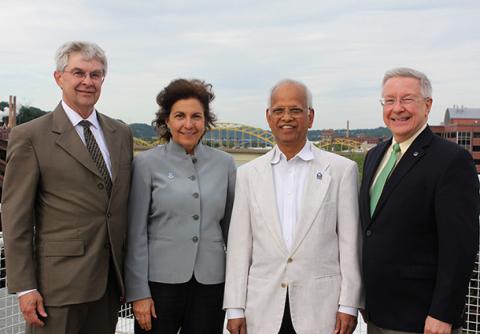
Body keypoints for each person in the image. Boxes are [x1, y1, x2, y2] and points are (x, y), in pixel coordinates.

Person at [1, 41, 133, 334]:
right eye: (78, 73)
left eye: (96, 75)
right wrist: (25, 288)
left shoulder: (121, 133)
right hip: (56, 288)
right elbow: (16, 218)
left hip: (110, 285)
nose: (88, 82)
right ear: (59, 77)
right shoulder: (30, 136)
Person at [223, 79, 363, 334]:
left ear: (310, 117)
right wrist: (234, 307)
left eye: (296, 110)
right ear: (268, 117)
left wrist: (349, 304)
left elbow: (350, 243)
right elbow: (239, 246)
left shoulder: (341, 170)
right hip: (261, 308)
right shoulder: (248, 174)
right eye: (279, 110)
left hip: (322, 308)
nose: (286, 117)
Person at [359, 67, 479, 334]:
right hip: (376, 313)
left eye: (407, 99)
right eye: (389, 100)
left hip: (421, 319)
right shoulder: (374, 155)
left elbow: (459, 246)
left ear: (428, 105)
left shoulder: (451, 161)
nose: (397, 108)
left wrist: (442, 313)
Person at [125, 78, 236, 334]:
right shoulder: (146, 164)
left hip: (211, 282)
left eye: (196, 116)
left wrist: (237, 294)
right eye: (180, 116)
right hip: (159, 284)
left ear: (206, 121)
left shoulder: (225, 164)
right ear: (167, 121)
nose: (189, 124)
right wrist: (139, 292)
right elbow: (135, 233)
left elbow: (233, 231)